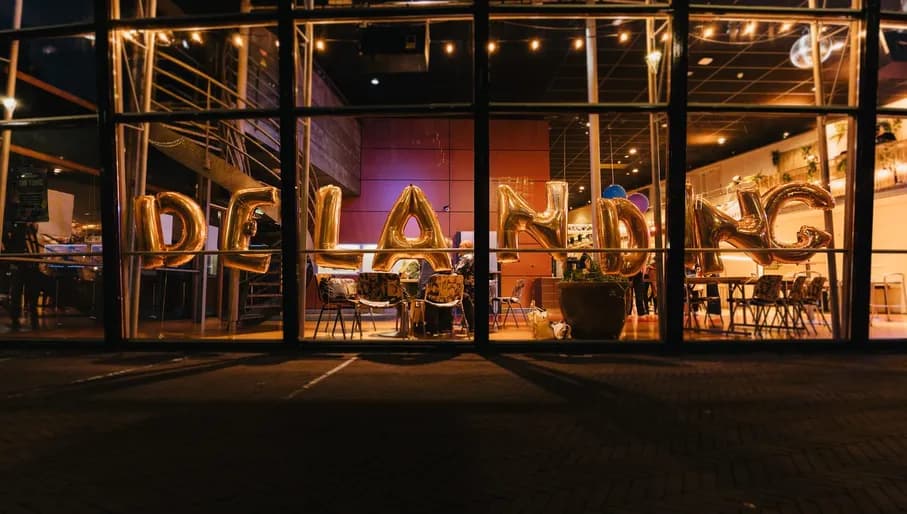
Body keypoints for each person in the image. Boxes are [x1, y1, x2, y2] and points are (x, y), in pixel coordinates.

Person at [454, 240, 475, 332]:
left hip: (467, 287)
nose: (458, 248)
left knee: (467, 304)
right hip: (472, 285)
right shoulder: (472, 256)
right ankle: (470, 325)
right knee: (469, 305)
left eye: (461, 246)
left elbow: (458, 271)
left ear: (466, 248)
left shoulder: (467, 257)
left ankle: (471, 326)